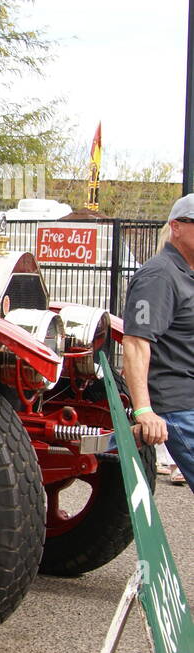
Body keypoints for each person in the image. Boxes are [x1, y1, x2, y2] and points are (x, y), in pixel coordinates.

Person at [123, 195, 194, 492]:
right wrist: (144, 411)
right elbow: (135, 343)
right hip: (178, 405)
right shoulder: (160, 275)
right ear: (176, 227)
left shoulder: (186, 274)